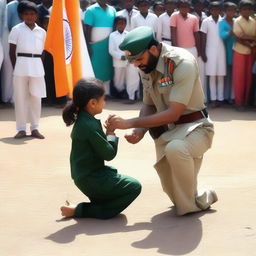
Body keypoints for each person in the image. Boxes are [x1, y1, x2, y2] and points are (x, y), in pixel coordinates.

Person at [106, 26, 218, 216]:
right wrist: (139, 131)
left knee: (176, 150)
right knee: (175, 193)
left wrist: (130, 123)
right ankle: (203, 196)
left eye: (139, 59)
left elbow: (174, 113)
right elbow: (149, 104)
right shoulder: (146, 66)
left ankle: (190, 205)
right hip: (168, 133)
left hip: (197, 128)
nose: (137, 65)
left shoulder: (182, 63)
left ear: (154, 50)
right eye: (133, 61)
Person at [60, 78, 141, 219]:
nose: (105, 102)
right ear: (92, 103)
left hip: (85, 176)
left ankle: (97, 204)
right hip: (91, 178)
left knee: (114, 181)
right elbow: (109, 154)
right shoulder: (89, 125)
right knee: (134, 186)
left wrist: (108, 133)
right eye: (103, 99)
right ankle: (80, 210)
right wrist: (111, 133)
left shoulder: (84, 119)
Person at [9, 0, 46, 139]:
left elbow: (43, 52)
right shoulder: (16, 29)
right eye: (26, 14)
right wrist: (16, 67)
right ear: (21, 15)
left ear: (37, 15)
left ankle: (35, 128)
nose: (30, 16)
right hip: (21, 65)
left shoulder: (42, 31)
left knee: (36, 97)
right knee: (20, 97)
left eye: (32, 14)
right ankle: (21, 128)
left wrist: (39, 64)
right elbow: (12, 51)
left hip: (37, 65)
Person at [83, 0, 116, 97]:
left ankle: (107, 93)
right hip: (95, 45)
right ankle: (95, 93)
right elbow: (87, 28)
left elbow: (114, 27)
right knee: (96, 68)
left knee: (108, 67)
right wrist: (88, 45)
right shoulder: (91, 10)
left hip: (109, 44)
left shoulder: (112, 10)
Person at [200, 1, 226, 108]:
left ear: (220, 10)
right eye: (213, 9)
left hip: (222, 51)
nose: (215, 11)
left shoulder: (223, 21)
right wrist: (203, 53)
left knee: (220, 76)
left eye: (217, 9)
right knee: (212, 76)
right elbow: (203, 38)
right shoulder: (206, 21)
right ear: (210, 10)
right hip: (209, 51)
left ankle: (220, 99)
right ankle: (214, 99)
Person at [109, 16, 140, 103]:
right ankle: (121, 93)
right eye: (119, 23)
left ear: (125, 24)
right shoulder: (112, 35)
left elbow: (131, 47)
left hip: (129, 60)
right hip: (118, 61)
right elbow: (111, 50)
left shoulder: (128, 34)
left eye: (123, 23)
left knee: (132, 77)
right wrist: (120, 56)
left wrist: (127, 56)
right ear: (115, 24)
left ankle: (132, 96)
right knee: (118, 80)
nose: (121, 25)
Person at [232, 0, 256, 110]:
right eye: (244, 9)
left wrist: (250, 41)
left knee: (249, 78)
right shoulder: (237, 21)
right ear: (240, 10)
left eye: (249, 9)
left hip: (251, 52)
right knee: (239, 78)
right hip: (240, 52)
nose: (247, 11)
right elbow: (239, 36)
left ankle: (246, 102)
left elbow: (244, 36)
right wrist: (251, 41)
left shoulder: (253, 21)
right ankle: (238, 102)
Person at [219, 2, 237, 104]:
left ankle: (233, 96)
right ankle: (226, 97)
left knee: (234, 75)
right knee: (226, 75)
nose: (231, 12)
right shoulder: (222, 22)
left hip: (236, 50)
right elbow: (221, 35)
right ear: (225, 11)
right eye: (229, 10)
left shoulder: (236, 21)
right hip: (225, 50)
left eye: (233, 10)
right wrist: (229, 33)